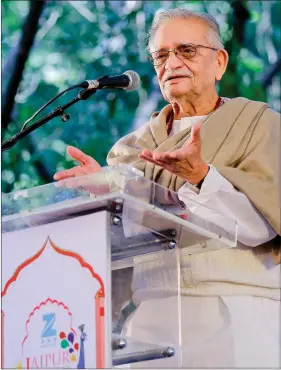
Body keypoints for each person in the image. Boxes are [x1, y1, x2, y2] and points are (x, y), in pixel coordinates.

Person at [54, 9, 280, 368]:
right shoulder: (131, 148)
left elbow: (260, 226)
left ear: (219, 62)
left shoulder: (260, 125)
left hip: (237, 310)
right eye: (161, 55)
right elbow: (121, 246)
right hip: (149, 322)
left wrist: (202, 176)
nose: (171, 62)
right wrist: (105, 199)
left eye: (186, 50)